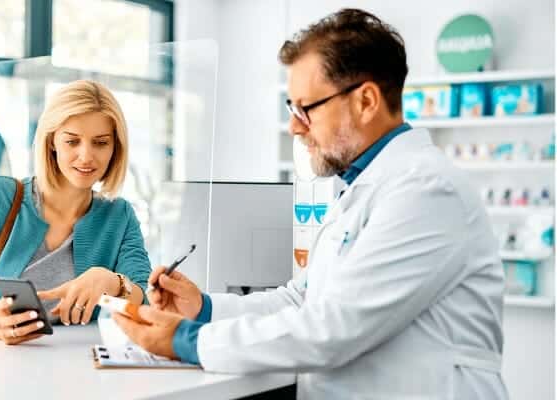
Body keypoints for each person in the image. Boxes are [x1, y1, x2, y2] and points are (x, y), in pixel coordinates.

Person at [113, 9, 507, 399]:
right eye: (292, 109)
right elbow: (301, 300)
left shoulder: (427, 190)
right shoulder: (363, 187)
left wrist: (187, 341)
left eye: (307, 108)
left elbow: (332, 328)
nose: (295, 126)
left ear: (366, 101)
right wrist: (204, 308)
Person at [0, 80, 151, 345]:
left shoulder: (119, 217)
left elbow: (146, 301)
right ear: (51, 142)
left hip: (80, 369)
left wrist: (112, 282)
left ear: (115, 147)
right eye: (72, 141)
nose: (86, 156)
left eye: (101, 142)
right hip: (0, 368)